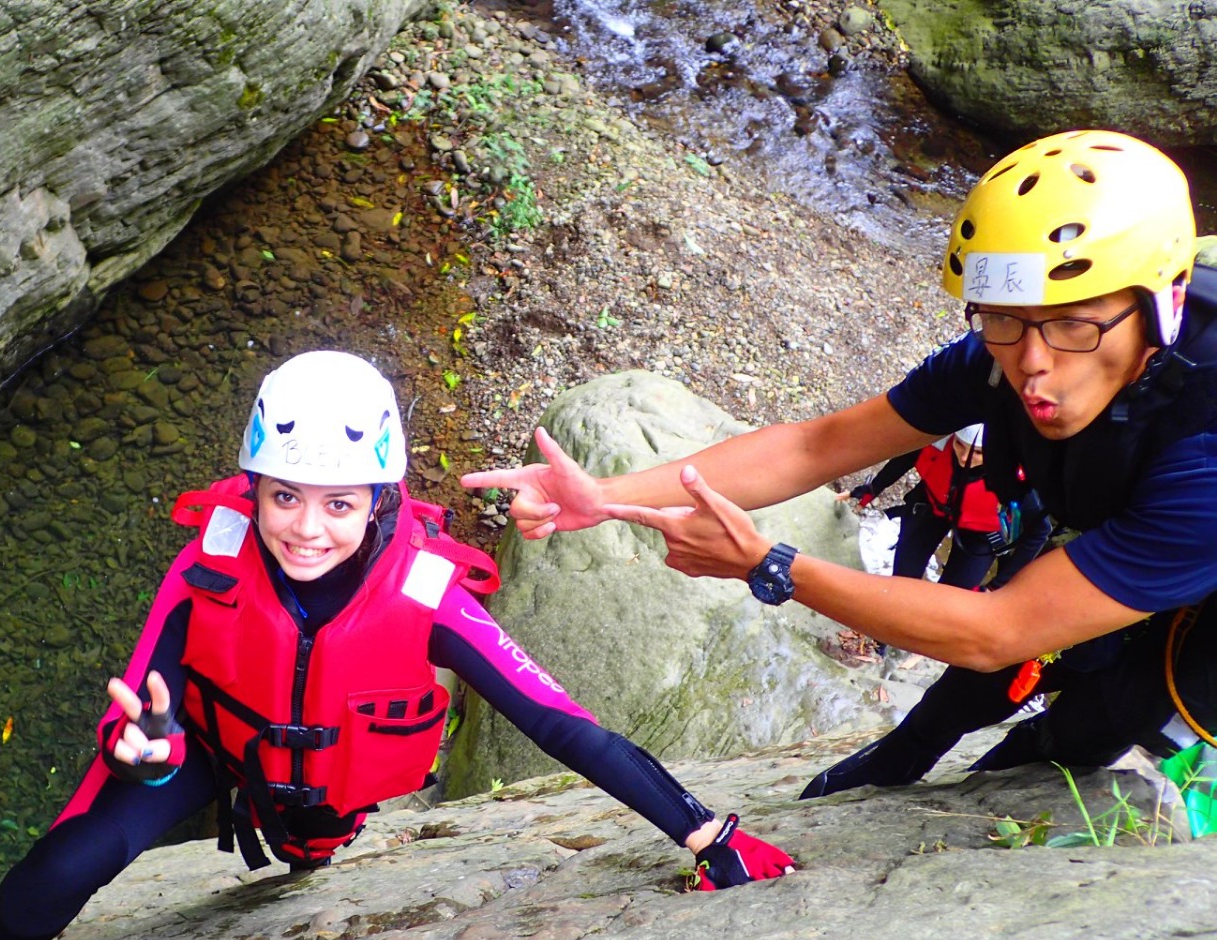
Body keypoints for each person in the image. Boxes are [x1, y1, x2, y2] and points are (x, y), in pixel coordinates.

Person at [0, 351, 794, 940]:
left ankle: (297, 839)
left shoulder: (427, 599)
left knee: (307, 855)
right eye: (284, 496)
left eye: (339, 503)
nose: (306, 529)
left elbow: (558, 723)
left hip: (329, 781)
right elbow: (143, 717)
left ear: (381, 499)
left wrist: (703, 831)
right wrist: (147, 751)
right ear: (254, 488)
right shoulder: (211, 561)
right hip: (208, 742)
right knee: (58, 870)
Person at [463, 130, 1217, 808]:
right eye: (1002, 322)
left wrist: (773, 564)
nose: (1033, 365)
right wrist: (603, 495)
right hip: (1119, 525)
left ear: (1165, 303)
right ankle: (903, 758)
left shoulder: (1206, 444)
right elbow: (816, 448)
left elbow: (999, 630)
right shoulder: (1007, 350)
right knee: (963, 696)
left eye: (1074, 325)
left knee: (1092, 725)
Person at [841, 423, 1051, 591]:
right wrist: (872, 488)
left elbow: (1039, 532)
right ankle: (880, 640)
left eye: (977, 453)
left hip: (980, 535)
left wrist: (999, 583)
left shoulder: (1013, 480)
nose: (963, 457)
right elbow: (905, 457)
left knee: (950, 601)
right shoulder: (939, 442)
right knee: (901, 584)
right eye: (959, 445)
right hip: (931, 508)